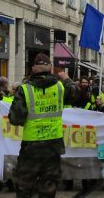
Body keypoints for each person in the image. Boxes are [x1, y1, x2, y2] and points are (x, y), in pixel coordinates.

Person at [8, 53, 75, 198]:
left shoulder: (24, 89)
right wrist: (66, 78)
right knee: (48, 188)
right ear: (50, 67)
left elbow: (15, 119)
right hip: (53, 146)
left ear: (33, 69)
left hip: (31, 147)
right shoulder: (60, 87)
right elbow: (77, 93)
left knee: (24, 187)